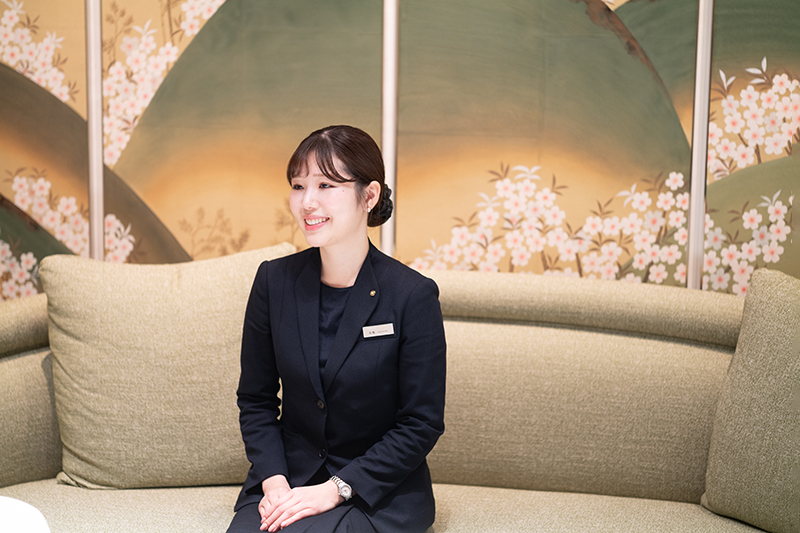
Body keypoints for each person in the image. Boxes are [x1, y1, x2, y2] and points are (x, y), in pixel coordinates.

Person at [227, 125, 447, 533]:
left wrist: (336, 489)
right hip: (288, 480)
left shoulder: (412, 295)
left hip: (376, 490)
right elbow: (255, 399)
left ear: (370, 195)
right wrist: (274, 482)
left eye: (326, 185)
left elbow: (422, 423)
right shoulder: (273, 282)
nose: (307, 201)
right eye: (298, 186)